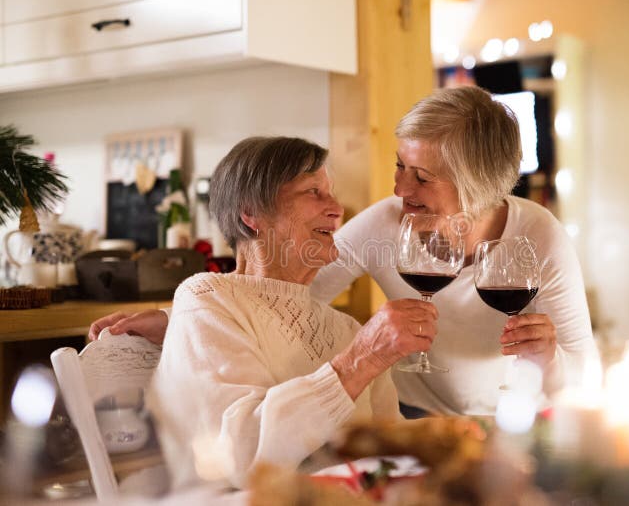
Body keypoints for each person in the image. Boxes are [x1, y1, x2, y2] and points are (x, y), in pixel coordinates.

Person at [92, 86, 598, 416]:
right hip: (408, 416)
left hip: (510, 419)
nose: (400, 188)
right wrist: (177, 316)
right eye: (400, 165)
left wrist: (551, 360)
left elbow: (586, 376)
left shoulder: (540, 239)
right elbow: (278, 296)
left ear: (477, 187)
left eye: (421, 177)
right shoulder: (386, 225)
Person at [146, 137, 437, 489]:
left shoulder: (344, 327)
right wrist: (360, 361)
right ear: (251, 213)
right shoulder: (207, 299)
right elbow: (240, 457)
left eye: (331, 193)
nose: (336, 208)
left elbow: (387, 447)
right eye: (313, 192)